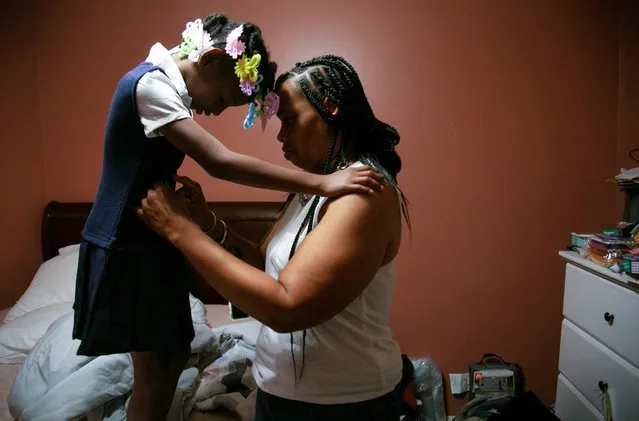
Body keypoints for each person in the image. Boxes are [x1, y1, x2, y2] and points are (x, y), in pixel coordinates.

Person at [73, 12, 384, 421]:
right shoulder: (149, 86)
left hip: (155, 238)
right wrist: (324, 184)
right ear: (210, 60)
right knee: (151, 367)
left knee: (175, 353)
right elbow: (219, 162)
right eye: (222, 100)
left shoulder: (169, 91)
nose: (216, 111)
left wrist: (195, 221)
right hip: (126, 241)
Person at [137, 54, 411, 421]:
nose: (281, 135)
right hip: (279, 393)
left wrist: (179, 230)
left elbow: (286, 307)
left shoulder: (363, 192)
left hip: (343, 404)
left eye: (289, 120)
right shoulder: (316, 185)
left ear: (330, 110)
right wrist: (204, 222)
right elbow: (265, 270)